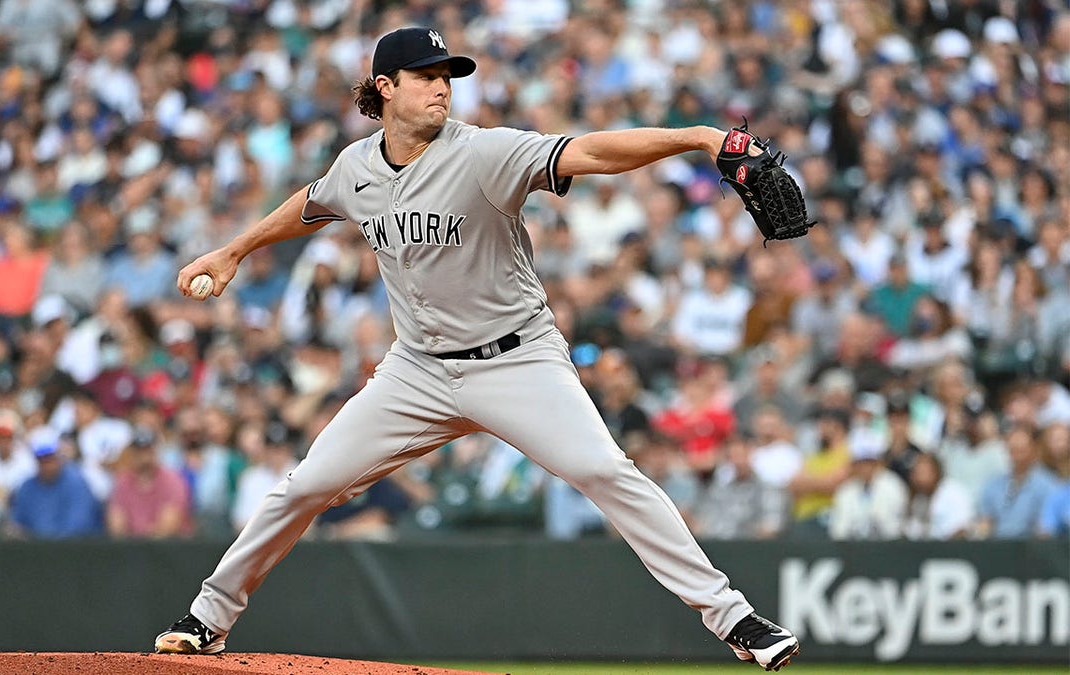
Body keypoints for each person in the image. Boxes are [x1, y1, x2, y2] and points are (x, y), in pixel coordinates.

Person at [153, 27, 799, 671]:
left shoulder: (484, 153)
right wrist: (234, 248)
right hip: (417, 370)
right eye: (427, 76)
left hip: (517, 360)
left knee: (606, 472)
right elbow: (313, 202)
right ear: (386, 88)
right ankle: (209, 617)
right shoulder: (357, 168)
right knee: (305, 485)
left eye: (447, 76)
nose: (442, 87)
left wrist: (698, 138)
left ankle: (733, 616)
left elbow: (592, 152)